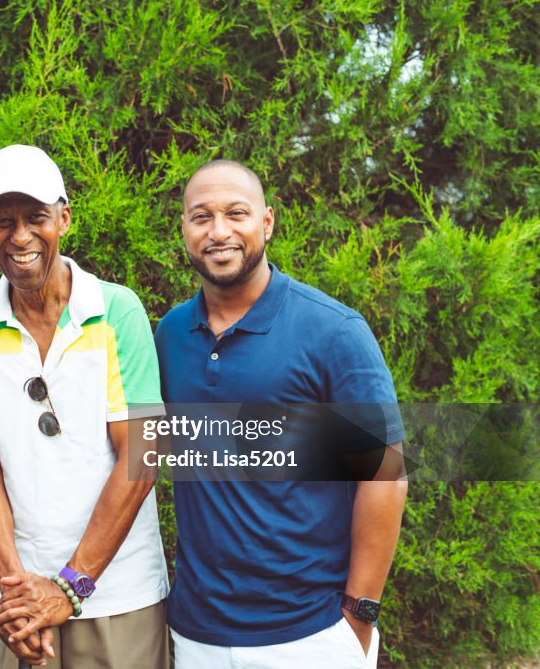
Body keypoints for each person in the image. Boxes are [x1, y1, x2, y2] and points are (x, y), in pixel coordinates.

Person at [154, 159, 408, 668]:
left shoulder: (333, 331)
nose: (219, 231)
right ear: (184, 230)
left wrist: (360, 615)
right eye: (201, 217)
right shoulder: (170, 335)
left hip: (309, 633)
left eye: (236, 213)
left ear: (266, 222)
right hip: (197, 632)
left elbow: (384, 475)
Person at [0, 144, 169, 668]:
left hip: (121, 595)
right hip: (20, 602)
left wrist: (69, 588)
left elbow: (143, 457)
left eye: (36, 218)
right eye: (2, 221)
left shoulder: (118, 311)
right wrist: (16, 591)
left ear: (64, 218)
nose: (20, 236)